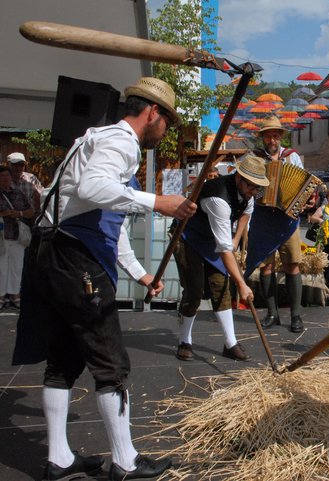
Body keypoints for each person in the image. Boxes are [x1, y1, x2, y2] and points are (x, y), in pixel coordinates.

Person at [14, 77, 197, 481]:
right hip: (74, 259)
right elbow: (95, 188)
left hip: (54, 255)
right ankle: (125, 461)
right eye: (166, 122)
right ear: (153, 112)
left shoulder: (93, 139)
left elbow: (104, 225)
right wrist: (159, 202)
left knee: (63, 361)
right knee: (111, 363)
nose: (164, 132)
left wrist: (141, 273)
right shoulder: (121, 142)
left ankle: (59, 459)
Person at [173, 154, 268, 363]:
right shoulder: (219, 197)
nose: (254, 192)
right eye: (252, 186)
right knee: (194, 290)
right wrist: (242, 284)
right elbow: (224, 250)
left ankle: (230, 343)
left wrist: (236, 238)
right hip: (188, 236)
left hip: (213, 238)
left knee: (221, 286)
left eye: (258, 188)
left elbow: (246, 213)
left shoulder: (249, 195)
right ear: (239, 178)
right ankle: (185, 340)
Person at [253, 116, 306, 333]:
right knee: (266, 267)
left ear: (280, 137)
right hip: (264, 218)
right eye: (268, 135)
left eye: (275, 135)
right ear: (263, 138)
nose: (272, 139)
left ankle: (295, 316)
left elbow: (304, 184)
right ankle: (272, 313)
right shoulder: (255, 158)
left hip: (287, 219)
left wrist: (302, 202)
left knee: (292, 264)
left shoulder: (291, 157)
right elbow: (248, 184)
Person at [0, 165, 34, 309]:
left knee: (16, 267)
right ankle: (1, 295)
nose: (5, 178)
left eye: (7, 176)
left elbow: (31, 211)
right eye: (2, 176)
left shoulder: (19, 193)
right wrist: (3, 214)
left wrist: (18, 214)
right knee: (1, 267)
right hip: (1, 236)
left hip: (17, 235)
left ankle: (14, 294)